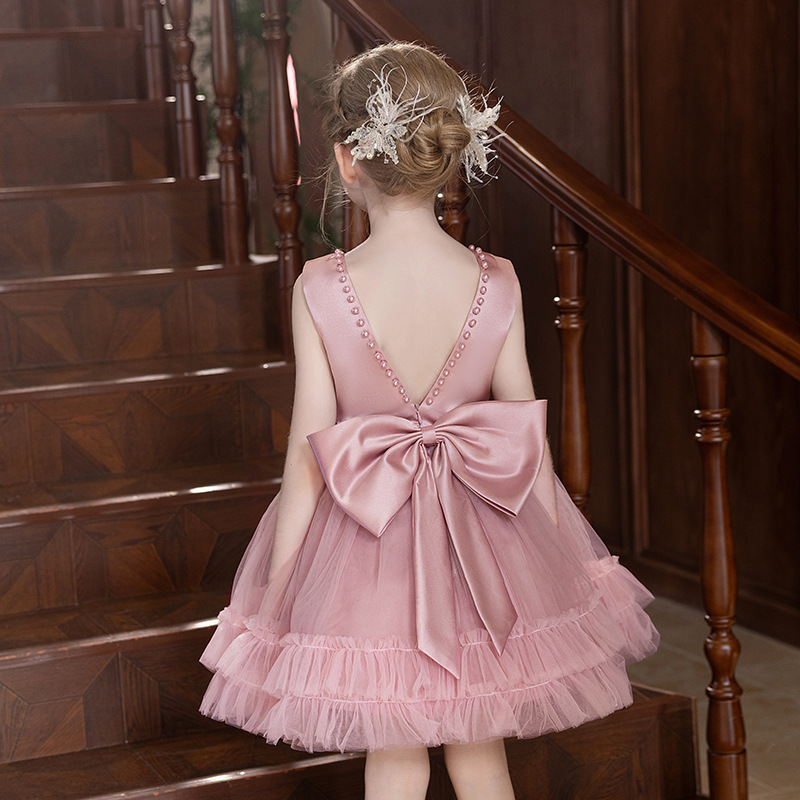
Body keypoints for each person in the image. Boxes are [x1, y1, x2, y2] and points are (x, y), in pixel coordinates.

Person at [200, 42, 659, 799]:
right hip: (488, 546)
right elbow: (525, 441)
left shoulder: (320, 286)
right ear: (449, 160)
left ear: (347, 161)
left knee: (395, 758)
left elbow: (309, 454)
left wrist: (279, 586)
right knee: (481, 756)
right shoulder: (496, 280)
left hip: (363, 549)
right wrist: (563, 561)